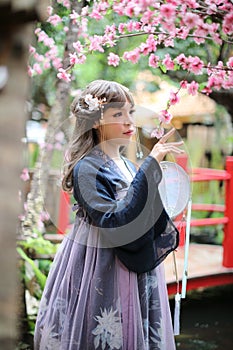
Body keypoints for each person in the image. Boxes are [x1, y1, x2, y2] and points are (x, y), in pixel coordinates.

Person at [34, 80, 184, 350]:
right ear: (95, 122)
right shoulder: (86, 168)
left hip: (134, 257)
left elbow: (141, 206)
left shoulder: (127, 164)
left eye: (131, 112)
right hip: (100, 259)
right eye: (118, 114)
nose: (129, 121)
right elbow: (113, 221)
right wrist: (150, 165)